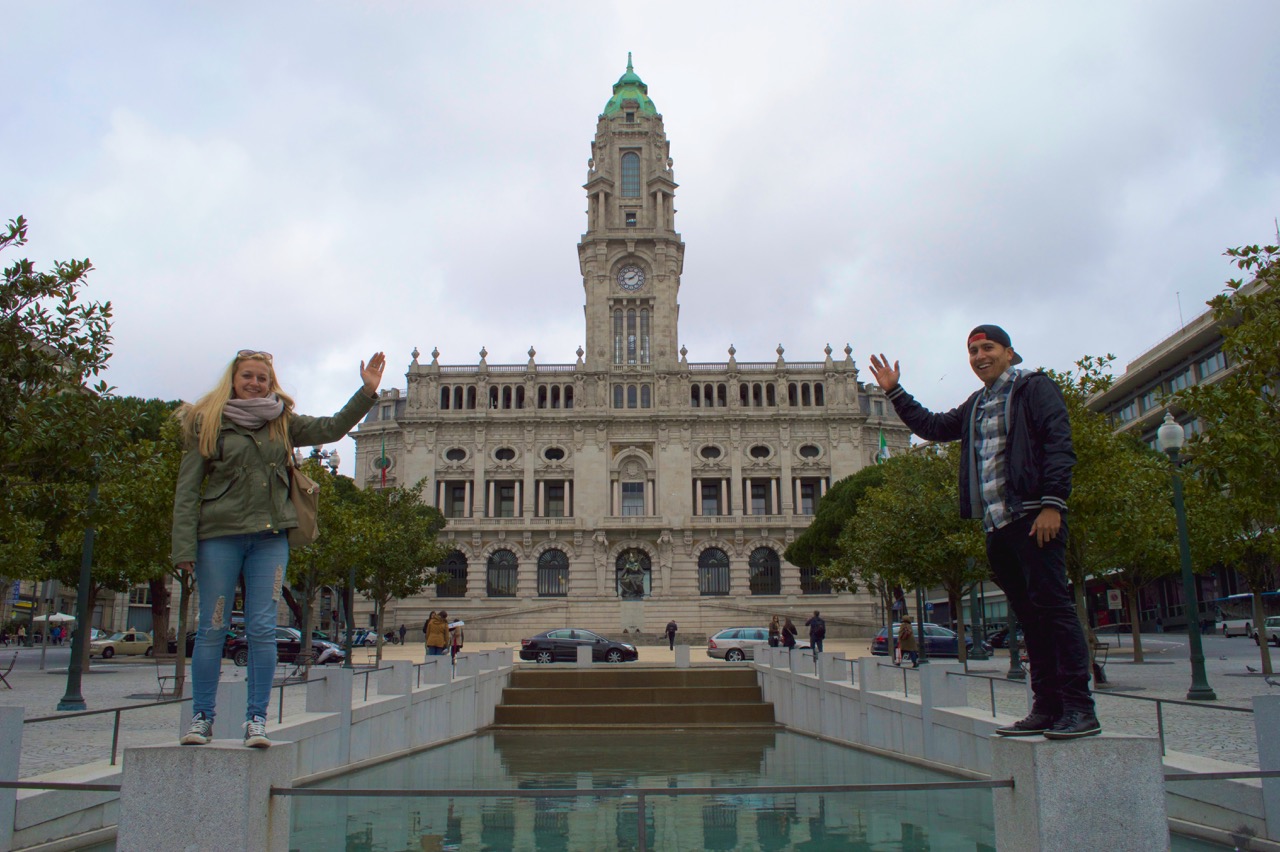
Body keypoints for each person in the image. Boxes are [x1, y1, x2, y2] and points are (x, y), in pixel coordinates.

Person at [870, 325, 1100, 739]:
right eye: (973, 350)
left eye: (988, 348)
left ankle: (1080, 708)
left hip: (1033, 516)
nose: (979, 356)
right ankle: (1046, 707)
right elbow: (934, 426)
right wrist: (895, 392)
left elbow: (1058, 443)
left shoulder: (1033, 388)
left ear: (1010, 352)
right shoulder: (978, 403)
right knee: (1030, 618)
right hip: (997, 523)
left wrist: (1053, 504)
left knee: (1056, 612)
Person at [172, 348, 386, 748]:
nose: (255, 383)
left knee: (263, 629)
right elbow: (187, 491)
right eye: (248, 376)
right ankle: (202, 718)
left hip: (270, 537)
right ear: (233, 380)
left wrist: (367, 392)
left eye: (262, 378)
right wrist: (183, 545)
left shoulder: (281, 423)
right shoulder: (209, 423)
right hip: (219, 536)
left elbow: (332, 427)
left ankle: (257, 720)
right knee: (212, 626)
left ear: (271, 384)